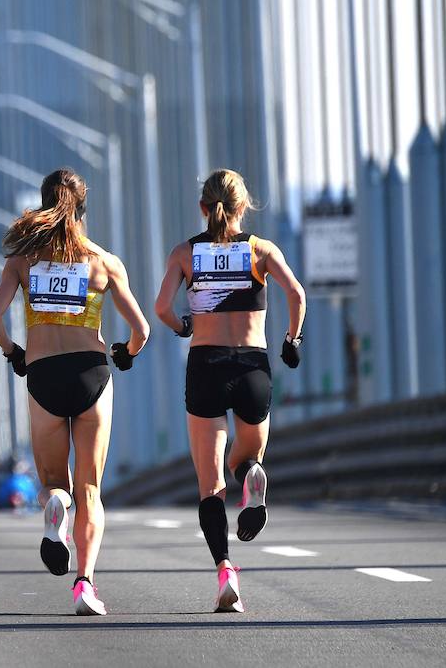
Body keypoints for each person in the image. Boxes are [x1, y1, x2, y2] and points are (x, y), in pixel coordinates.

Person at [0, 168, 149, 617]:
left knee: (55, 484)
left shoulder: (23, 260)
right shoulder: (103, 261)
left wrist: (14, 353)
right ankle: (84, 585)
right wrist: (127, 352)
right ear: (82, 208)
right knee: (90, 489)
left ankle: (55, 506)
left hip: (43, 376)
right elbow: (141, 329)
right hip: (91, 374)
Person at [154, 169, 306, 613]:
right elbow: (295, 293)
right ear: (244, 207)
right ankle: (252, 477)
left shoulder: (186, 253)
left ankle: (225, 571)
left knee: (209, 484)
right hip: (253, 364)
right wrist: (291, 342)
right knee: (246, 456)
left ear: (204, 208)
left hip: (206, 365)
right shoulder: (261, 250)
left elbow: (162, 307)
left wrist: (183, 325)